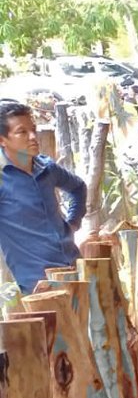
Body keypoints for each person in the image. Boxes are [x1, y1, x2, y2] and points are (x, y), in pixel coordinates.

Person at [0, 101, 84, 291]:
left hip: (75, 268)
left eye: (33, 129)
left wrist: (73, 222)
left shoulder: (47, 168)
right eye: (22, 132)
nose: (32, 137)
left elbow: (78, 187)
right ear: (2, 140)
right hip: (39, 285)